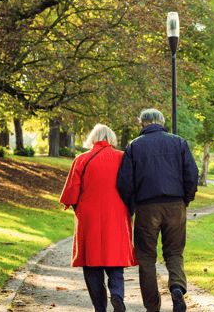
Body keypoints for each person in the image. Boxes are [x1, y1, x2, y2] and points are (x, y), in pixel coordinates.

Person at [116, 108, 199, 312]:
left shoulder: (134, 146)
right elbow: (192, 174)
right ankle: (177, 287)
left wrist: (132, 205)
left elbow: (125, 182)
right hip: (175, 204)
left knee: (146, 258)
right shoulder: (178, 142)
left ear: (141, 124)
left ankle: (152, 307)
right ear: (162, 122)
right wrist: (186, 199)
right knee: (174, 252)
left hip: (146, 206)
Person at [59, 124, 138, 312]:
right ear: (111, 139)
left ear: (92, 138)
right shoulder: (122, 158)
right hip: (117, 215)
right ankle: (117, 296)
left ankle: (99, 307)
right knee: (116, 262)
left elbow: (71, 194)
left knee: (91, 265)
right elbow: (131, 187)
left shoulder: (81, 159)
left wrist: (80, 210)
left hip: (89, 216)